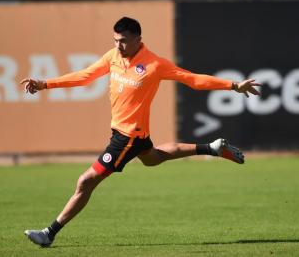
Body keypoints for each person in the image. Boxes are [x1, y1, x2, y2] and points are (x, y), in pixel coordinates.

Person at [21, 16, 261, 248]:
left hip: (127, 136)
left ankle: (49, 233)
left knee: (85, 182)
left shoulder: (155, 65)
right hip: (131, 133)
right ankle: (212, 148)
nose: (118, 45)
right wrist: (44, 84)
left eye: (123, 40)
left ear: (138, 39)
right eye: (115, 40)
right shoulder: (113, 56)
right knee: (153, 158)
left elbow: (193, 80)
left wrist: (233, 85)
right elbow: (85, 77)